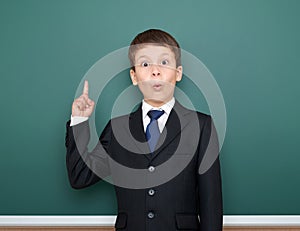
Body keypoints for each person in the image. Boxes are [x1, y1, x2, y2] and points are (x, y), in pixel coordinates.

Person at [65, 29, 223, 231]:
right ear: (134, 76)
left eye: (164, 62)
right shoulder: (117, 128)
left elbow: (211, 202)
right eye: (145, 64)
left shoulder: (201, 126)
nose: (155, 71)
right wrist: (79, 121)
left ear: (178, 72)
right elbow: (80, 177)